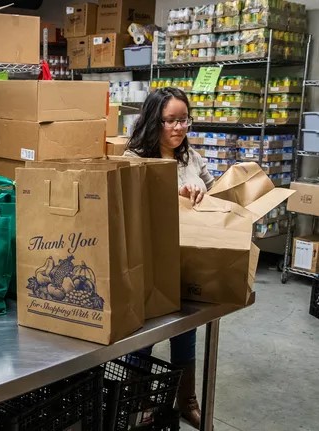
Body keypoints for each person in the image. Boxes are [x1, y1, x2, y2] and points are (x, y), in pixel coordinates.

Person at [124, 87, 214, 430]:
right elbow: (130, 208)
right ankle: (135, 401)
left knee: (185, 330)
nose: (178, 128)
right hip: (148, 262)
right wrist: (169, 194)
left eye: (183, 120)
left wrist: (206, 192)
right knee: (143, 335)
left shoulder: (192, 158)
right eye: (170, 121)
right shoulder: (134, 158)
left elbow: (216, 192)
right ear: (153, 121)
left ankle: (186, 399)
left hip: (187, 258)